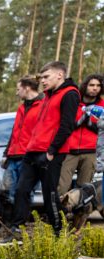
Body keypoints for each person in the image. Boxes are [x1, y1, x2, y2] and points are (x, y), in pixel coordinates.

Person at [11, 61, 80, 238]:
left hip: (50, 153)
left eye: (46, 77)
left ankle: (59, 232)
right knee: (21, 190)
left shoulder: (70, 94)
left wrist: (51, 151)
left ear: (60, 75)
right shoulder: (48, 95)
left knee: (50, 195)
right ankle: (17, 231)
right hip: (32, 152)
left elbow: (67, 125)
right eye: (41, 77)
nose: (42, 81)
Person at [59, 74, 103, 197]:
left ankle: (80, 216)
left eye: (98, 86)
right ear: (85, 86)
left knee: (84, 189)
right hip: (69, 150)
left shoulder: (102, 105)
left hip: (91, 152)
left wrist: (91, 123)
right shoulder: (74, 101)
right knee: (61, 187)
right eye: (92, 85)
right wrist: (80, 120)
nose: (95, 88)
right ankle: (61, 215)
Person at [2, 76, 43, 210]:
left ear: (27, 88)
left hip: (28, 157)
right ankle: (9, 224)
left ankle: (20, 225)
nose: (16, 93)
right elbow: (14, 132)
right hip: (13, 156)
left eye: (18, 89)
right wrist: (6, 154)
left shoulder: (43, 105)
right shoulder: (21, 107)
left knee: (24, 193)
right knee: (8, 192)